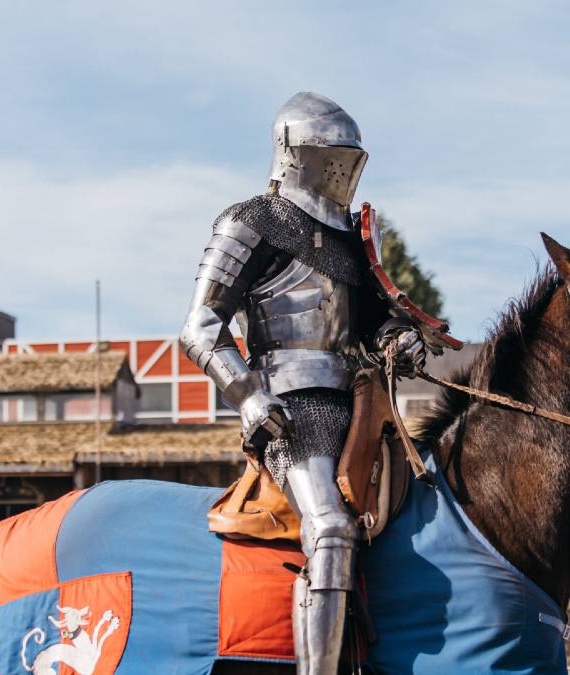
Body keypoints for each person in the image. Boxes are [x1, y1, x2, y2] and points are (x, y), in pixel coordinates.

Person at [179, 91, 426, 674]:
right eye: (328, 152)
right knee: (334, 529)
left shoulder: (355, 236)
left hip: (360, 408)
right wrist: (248, 396)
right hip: (289, 410)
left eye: (347, 153)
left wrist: (399, 336)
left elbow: (370, 321)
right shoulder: (250, 221)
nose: (341, 166)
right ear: (294, 151)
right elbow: (200, 327)